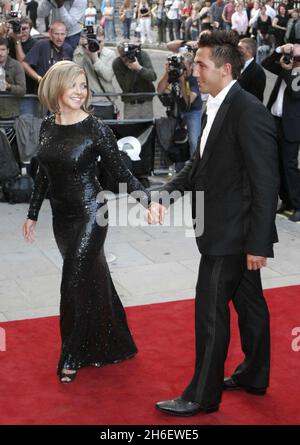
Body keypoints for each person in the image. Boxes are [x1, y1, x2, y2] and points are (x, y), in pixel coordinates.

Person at [149, 30, 279, 415]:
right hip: (223, 226)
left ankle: (200, 395)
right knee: (251, 304)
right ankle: (254, 375)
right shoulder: (215, 103)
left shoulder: (247, 109)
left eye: (201, 65)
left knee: (209, 312)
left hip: (232, 234)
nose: (194, 70)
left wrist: (258, 243)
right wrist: (165, 193)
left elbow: (266, 181)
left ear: (225, 68)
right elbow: (200, 163)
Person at [22, 60, 150, 384]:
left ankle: (72, 352)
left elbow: (121, 172)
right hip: (61, 218)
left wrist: (148, 200)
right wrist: (32, 214)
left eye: (84, 85)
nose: (81, 91)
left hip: (93, 212)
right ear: (56, 88)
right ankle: (115, 341)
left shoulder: (96, 128)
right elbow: (43, 175)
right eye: (75, 85)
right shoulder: (48, 125)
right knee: (94, 277)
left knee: (72, 281)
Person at [262, 43, 300, 222]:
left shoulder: (296, 73)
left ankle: (298, 204)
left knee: (290, 166)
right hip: (275, 121)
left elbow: (295, 93)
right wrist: (279, 50)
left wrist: (287, 70)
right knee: (278, 164)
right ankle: (286, 200)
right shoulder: (287, 66)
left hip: (292, 126)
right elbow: (266, 63)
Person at [157, 51, 202, 172]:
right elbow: (160, 90)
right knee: (176, 141)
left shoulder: (194, 77)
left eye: (184, 66)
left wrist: (182, 82)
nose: (181, 69)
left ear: (191, 66)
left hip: (192, 112)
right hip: (176, 112)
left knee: (193, 141)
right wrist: (168, 73)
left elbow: (188, 102)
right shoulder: (173, 74)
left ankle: (195, 170)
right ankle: (179, 170)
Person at [113, 42, 157, 119]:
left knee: (148, 128)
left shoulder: (142, 55)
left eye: (127, 55)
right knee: (131, 129)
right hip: (130, 104)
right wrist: (131, 69)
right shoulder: (117, 63)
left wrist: (139, 68)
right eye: (123, 56)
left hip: (146, 102)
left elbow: (153, 76)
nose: (125, 58)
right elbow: (126, 87)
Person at [0, 37, 26, 119]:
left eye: (3, 49)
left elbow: (22, 90)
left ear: (8, 51)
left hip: (10, 113)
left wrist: (8, 86)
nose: (0, 53)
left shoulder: (16, 66)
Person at [238, 37, 266, 101]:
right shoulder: (235, 65)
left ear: (249, 51)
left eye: (240, 48)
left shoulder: (258, 72)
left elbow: (256, 98)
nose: (237, 50)